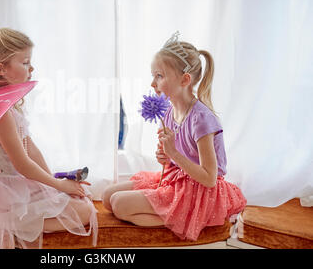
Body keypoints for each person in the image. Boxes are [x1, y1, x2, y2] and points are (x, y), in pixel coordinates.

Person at [0, 28, 97, 249]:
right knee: (85, 210)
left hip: (9, 180)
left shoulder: (0, 100)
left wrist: (53, 184)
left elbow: (29, 148)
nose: (31, 68)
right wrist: (58, 185)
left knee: (79, 198)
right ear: (1, 69)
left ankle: (19, 220)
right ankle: (11, 224)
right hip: (0, 191)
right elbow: (22, 164)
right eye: (25, 62)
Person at [102, 31, 246, 241]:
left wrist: (174, 154)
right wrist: (165, 157)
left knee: (119, 205)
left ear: (185, 80)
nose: (153, 83)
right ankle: (175, 215)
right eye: (153, 75)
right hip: (176, 179)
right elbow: (171, 161)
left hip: (200, 191)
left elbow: (209, 178)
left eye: (159, 76)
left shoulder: (202, 119)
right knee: (108, 197)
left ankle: (185, 219)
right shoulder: (169, 112)